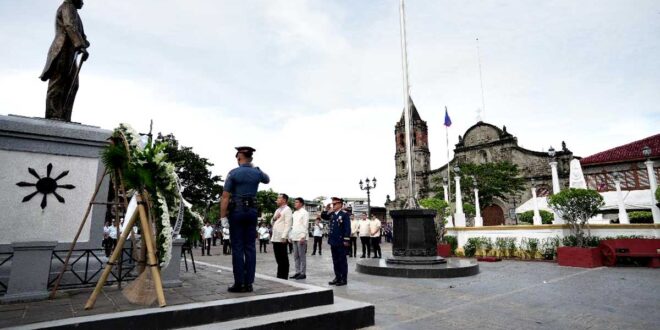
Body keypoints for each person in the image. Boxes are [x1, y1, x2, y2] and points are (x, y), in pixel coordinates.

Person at [219, 146, 270, 293]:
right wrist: (255, 168)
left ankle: (239, 283)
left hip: (237, 212)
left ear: (239, 157)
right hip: (252, 212)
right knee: (250, 247)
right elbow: (267, 179)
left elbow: (225, 197)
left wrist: (223, 217)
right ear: (251, 158)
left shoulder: (233, 173)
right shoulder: (256, 172)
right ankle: (249, 283)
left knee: (237, 247)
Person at [40, 0, 90, 122]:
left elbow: (79, 33)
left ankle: (64, 115)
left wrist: (84, 43)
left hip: (71, 52)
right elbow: (69, 26)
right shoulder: (68, 7)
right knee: (58, 82)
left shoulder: (75, 12)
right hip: (62, 50)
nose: (83, 2)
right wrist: (80, 45)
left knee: (72, 84)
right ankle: (53, 114)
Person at [321, 197, 351, 286]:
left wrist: (346, 239)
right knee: (335, 260)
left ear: (340, 204)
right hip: (333, 241)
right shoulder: (332, 214)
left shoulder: (344, 215)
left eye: (335, 204)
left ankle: (343, 279)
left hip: (341, 241)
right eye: (332, 204)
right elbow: (324, 216)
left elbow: (347, 228)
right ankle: (337, 277)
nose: (333, 205)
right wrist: (326, 209)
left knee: (342, 261)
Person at [271, 193, 292, 279]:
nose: (277, 200)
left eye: (279, 198)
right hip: (275, 237)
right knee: (278, 258)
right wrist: (274, 218)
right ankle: (279, 275)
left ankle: (284, 276)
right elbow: (272, 222)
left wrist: (284, 236)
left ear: (284, 200)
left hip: (282, 238)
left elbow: (288, 224)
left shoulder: (287, 210)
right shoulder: (278, 210)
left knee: (283, 258)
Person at [289, 198, 309, 280]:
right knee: (296, 256)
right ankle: (297, 272)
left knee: (302, 256)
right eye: (295, 202)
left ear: (301, 203)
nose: (295, 203)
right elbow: (293, 225)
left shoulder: (305, 213)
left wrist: (303, 236)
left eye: (296, 202)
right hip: (294, 236)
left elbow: (305, 225)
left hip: (301, 237)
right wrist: (290, 236)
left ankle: (303, 273)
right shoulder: (295, 213)